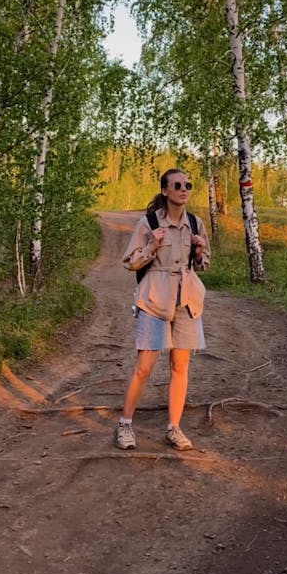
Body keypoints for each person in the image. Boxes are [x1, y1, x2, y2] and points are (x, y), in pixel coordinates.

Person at [115, 169, 211, 451]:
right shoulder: (149, 223)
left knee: (180, 366)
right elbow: (130, 262)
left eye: (188, 185)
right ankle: (125, 424)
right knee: (144, 367)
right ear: (166, 190)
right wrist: (151, 246)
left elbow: (204, 265)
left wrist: (200, 251)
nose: (184, 189)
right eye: (178, 185)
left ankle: (174, 427)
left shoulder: (195, 223)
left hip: (187, 300)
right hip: (155, 298)